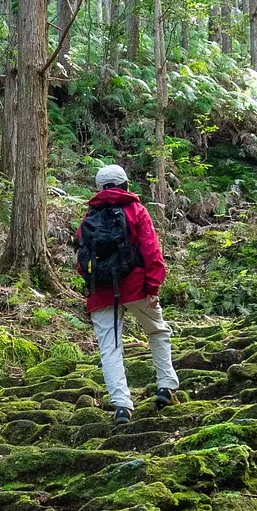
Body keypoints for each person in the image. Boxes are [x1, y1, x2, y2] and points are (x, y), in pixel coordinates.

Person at [75, 164, 178, 425]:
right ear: (125, 185)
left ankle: (122, 406)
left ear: (99, 188)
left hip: (100, 290)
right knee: (157, 331)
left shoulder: (90, 215)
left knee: (110, 348)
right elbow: (151, 250)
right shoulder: (136, 210)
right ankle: (166, 386)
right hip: (136, 285)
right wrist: (153, 286)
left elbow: (82, 258)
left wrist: (94, 282)